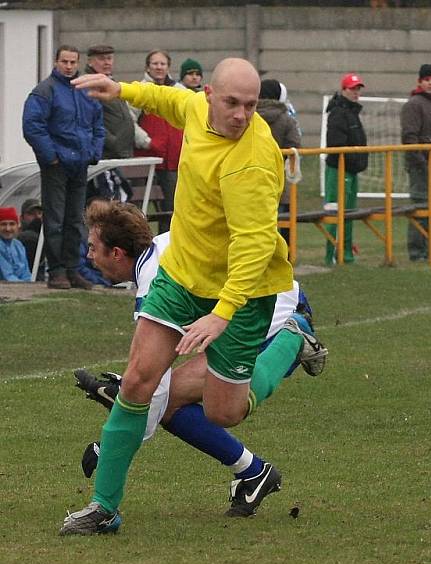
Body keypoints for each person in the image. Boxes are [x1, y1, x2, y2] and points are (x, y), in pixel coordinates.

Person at [61, 57, 320, 535]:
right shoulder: (198, 110)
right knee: (139, 379)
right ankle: (104, 509)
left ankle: (291, 337)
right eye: (232, 103)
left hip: (243, 291)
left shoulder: (255, 161)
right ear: (211, 98)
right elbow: (170, 99)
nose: (242, 115)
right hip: (181, 275)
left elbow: (253, 244)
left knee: (225, 412)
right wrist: (121, 91)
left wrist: (222, 315)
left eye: (250, 105)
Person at [72, 199, 325, 518]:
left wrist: (108, 448)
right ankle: (254, 472)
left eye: (93, 247)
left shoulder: (156, 277)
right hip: (263, 303)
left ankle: (294, 337)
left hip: (271, 315)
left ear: (117, 253)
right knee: (171, 401)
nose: (88, 256)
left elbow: (154, 388)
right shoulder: (161, 247)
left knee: (186, 403)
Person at [22, 44, 104, 290]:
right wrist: (51, 156)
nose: (69, 66)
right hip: (57, 164)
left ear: (78, 63)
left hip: (80, 162)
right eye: (64, 62)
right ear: (56, 62)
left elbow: (98, 125)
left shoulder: (85, 91)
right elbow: (32, 126)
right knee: (55, 218)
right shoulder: (44, 91)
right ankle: (56, 271)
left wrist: (93, 153)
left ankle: (72, 269)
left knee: (75, 219)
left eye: (72, 62)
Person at [131, 50, 184, 232]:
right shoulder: (139, 89)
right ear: (148, 67)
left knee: (171, 210)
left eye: (162, 64)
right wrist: (147, 142)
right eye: (155, 64)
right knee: (137, 209)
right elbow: (129, 122)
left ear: (168, 66)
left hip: (172, 162)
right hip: (145, 158)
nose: (159, 67)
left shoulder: (180, 91)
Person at [400, 64, 431, 262]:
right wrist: (421, 161)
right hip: (420, 166)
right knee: (420, 207)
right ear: (420, 81)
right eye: (427, 79)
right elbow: (409, 136)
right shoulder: (413, 104)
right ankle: (416, 250)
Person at [323, 73, 368, 265]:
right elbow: (336, 144)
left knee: (349, 213)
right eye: (352, 89)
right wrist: (353, 160)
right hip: (338, 170)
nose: (356, 93)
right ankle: (331, 254)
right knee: (335, 212)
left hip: (350, 171)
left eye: (358, 89)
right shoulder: (338, 113)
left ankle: (346, 253)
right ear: (344, 90)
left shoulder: (351, 113)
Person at [85, 44, 135, 203]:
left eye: (109, 58)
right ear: (90, 62)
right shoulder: (90, 85)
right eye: (101, 59)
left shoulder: (110, 83)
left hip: (117, 153)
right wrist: (112, 142)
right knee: (109, 198)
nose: (107, 62)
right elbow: (90, 120)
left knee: (121, 194)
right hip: (103, 155)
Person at [256, 79, 302, 242]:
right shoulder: (286, 119)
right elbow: (295, 143)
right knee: (282, 218)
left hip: (250, 175)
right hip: (277, 177)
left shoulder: (249, 115)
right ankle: (286, 253)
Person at [0, 206, 32, 282]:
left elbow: (26, 273)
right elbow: (7, 276)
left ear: (18, 226)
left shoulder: (18, 245)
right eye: (3, 224)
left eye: (12, 224)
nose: (8, 229)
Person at [17, 198, 45, 280]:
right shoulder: (25, 238)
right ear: (21, 218)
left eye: (40, 213)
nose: (37, 217)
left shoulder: (47, 236)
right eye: (31, 214)